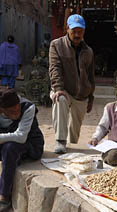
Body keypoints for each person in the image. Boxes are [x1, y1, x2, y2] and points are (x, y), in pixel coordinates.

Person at [49, 14, 96, 154]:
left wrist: (91, 97)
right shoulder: (56, 45)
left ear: (84, 31)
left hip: (82, 93)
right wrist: (58, 88)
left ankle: (70, 141)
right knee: (60, 100)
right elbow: (54, 67)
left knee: (75, 132)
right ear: (67, 28)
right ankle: (60, 140)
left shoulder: (88, 51)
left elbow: (91, 75)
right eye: (74, 31)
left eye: (80, 31)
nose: (77, 34)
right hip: (64, 89)